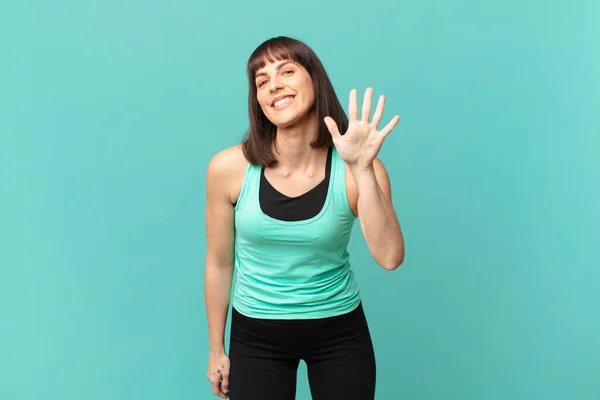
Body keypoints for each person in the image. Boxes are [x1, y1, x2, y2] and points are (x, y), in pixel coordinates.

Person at [203, 36, 404, 400]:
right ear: (258, 99)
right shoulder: (228, 169)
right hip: (256, 336)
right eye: (262, 81)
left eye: (287, 71)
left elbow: (390, 257)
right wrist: (217, 349)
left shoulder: (357, 169)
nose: (274, 84)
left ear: (315, 78)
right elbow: (219, 262)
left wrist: (362, 169)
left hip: (339, 333)